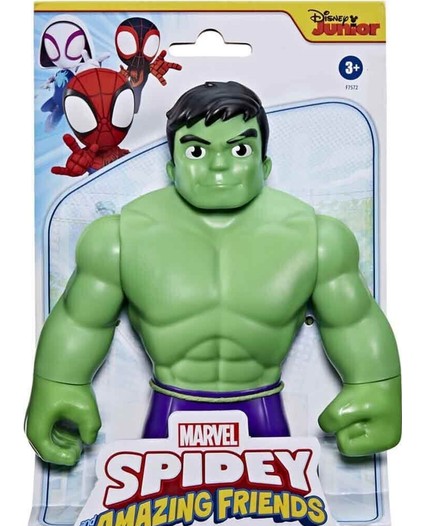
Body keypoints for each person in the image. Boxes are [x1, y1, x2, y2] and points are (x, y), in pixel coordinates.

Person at [26, 81, 401, 466]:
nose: (218, 165)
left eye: (239, 149)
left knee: (279, 507)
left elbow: (353, 322)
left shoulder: (317, 238)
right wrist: (59, 385)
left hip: (262, 408)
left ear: (265, 164)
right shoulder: (119, 238)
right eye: (196, 150)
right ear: (171, 165)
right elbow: (81, 322)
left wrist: (375, 388)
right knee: (157, 506)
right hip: (172, 408)